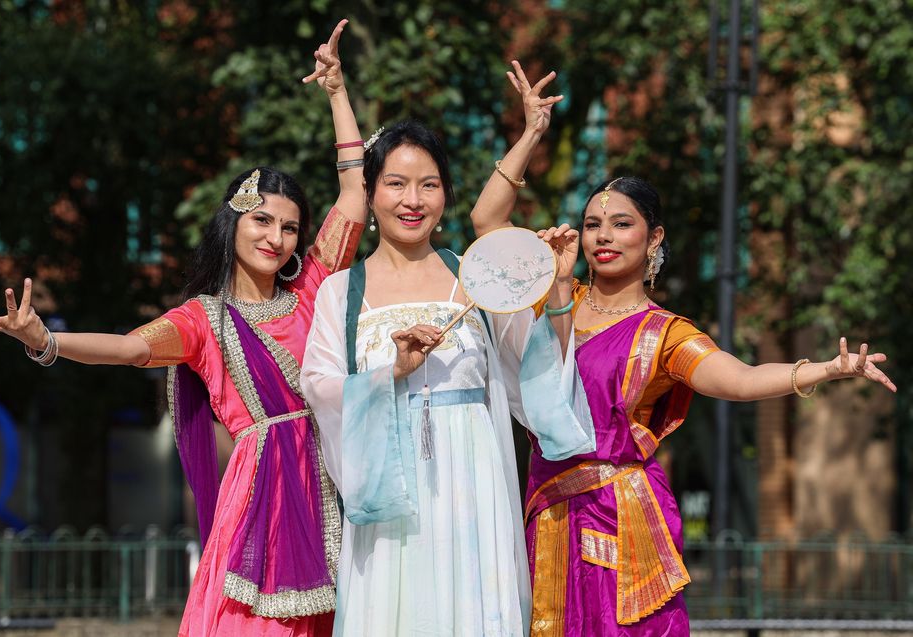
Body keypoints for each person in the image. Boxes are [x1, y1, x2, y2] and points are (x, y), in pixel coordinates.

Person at [0, 20, 367, 637]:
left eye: (289, 227)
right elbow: (132, 348)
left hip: (334, 477)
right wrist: (46, 341)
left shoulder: (313, 288)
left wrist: (337, 92)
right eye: (262, 220)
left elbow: (354, 196)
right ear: (232, 225)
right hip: (261, 494)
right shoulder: (204, 319)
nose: (276, 237)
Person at [521, 176, 897, 635]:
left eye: (622, 224)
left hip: (616, 512)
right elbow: (487, 229)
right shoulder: (557, 296)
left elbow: (740, 380)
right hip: (547, 505)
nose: (604, 237)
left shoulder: (663, 333)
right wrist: (531, 133)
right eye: (593, 224)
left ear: (654, 237)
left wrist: (826, 369)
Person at [299, 63, 563, 636]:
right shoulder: (341, 293)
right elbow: (317, 384)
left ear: (445, 192)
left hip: (473, 484)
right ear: (369, 193)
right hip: (388, 493)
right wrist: (389, 373)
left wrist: (554, 288)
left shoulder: (478, 278)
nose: (412, 200)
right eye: (395, 183)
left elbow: (536, 366)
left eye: (429, 184)